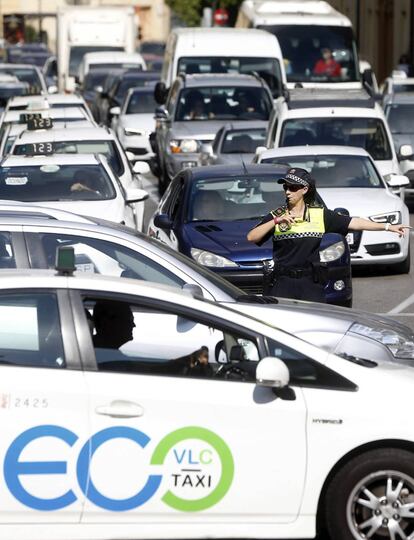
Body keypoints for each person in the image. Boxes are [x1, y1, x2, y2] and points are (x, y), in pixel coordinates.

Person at [247, 167, 410, 303]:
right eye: (285, 187)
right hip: (282, 283)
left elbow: (355, 222)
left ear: (304, 190)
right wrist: (276, 221)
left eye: (293, 188)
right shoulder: (277, 214)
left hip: (310, 282)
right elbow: (252, 237)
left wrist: (388, 226)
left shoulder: (320, 214)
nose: (288, 192)